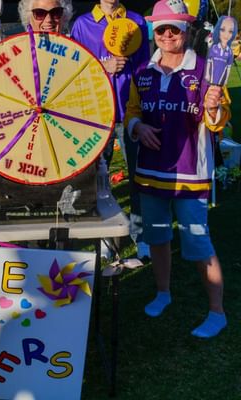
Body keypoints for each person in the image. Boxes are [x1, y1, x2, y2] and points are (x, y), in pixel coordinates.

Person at [124, 0, 231, 338]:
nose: (167, 35)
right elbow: (131, 112)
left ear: (186, 30)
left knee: (199, 243)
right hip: (151, 172)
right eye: (161, 29)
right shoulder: (142, 72)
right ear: (154, 32)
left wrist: (213, 108)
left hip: (190, 174)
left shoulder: (206, 70)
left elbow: (219, 123)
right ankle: (163, 292)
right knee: (157, 236)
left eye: (174, 29)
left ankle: (217, 312)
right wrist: (137, 128)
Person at [70, 0, 151, 259]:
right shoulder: (82, 25)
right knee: (100, 182)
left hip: (132, 113)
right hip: (97, 115)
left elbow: (144, 69)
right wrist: (102, 67)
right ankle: (105, 237)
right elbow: (74, 70)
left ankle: (141, 237)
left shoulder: (136, 21)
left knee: (138, 177)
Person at [205, 15, 238, 86]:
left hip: (220, 82)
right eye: (223, 30)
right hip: (210, 80)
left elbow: (228, 67)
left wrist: (226, 80)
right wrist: (207, 74)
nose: (226, 34)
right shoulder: (213, 48)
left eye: (230, 31)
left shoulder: (229, 52)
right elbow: (208, 61)